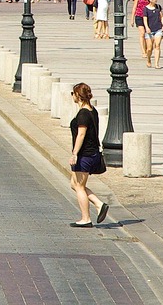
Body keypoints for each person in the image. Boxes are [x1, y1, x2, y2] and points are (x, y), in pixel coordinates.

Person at [67, 82, 109, 227]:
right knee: (74, 184)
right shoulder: (93, 110)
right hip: (92, 153)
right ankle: (99, 204)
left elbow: (81, 134)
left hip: (84, 155)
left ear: (78, 95)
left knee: (79, 186)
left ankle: (86, 219)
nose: (72, 96)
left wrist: (74, 154)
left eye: (73, 93)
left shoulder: (83, 114)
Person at [142, 0, 163, 68]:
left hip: (158, 28)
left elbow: (161, 17)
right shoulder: (146, 9)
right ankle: (148, 59)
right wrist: (147, 27)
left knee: (157, 45)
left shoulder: (158, 7)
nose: (156, 0)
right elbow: (145, 19)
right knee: (149, 48)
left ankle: (156, 64)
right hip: (149, 30)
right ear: (150, 0)